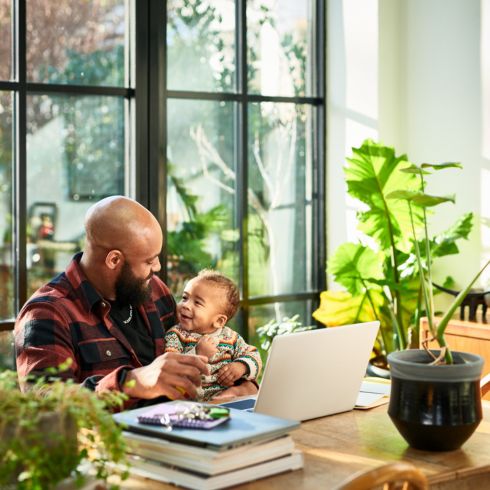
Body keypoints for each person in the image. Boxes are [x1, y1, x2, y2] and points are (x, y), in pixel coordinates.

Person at [14, 196, 257, 407]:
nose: (158, 268)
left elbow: (192, 360)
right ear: (113, 260)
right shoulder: (47, 313)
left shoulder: (155, 292)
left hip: (180, 436)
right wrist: (132, 383)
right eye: (149, 261)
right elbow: (46, 406)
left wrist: (240, 387)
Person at [164, 270, 262, 402]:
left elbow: (254, 356)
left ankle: (228, 397)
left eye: (197, 303)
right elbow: (171, 369)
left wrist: (241, 366)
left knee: (249, 389)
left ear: (219, 321)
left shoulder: (230, 337)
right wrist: (198, 354)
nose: (185, 305)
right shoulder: (176, 335)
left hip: (224, 394)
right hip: (191, 398)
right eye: (185, 298)